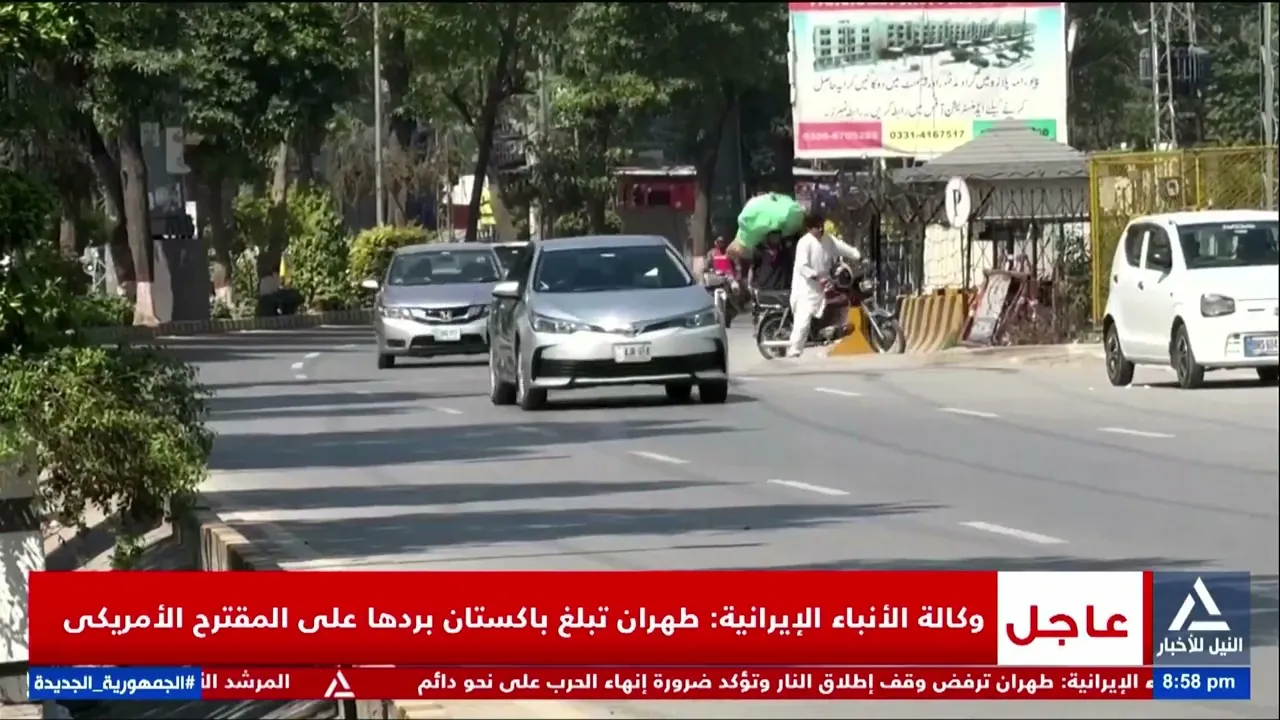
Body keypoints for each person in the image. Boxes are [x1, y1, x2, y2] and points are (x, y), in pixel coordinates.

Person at [787, 212, 863, 358]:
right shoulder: (804, 243)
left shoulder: (828, 240)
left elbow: (842, 247)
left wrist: (857, 255)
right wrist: (816, 277)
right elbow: (802, 266)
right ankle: (794, 350)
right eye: (817, 227)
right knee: (803, 321)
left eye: (821, 225)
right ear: (809, 228)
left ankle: (835, 338)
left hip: (823, 287)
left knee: (840, 306)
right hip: (806, 289)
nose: (821, 229)